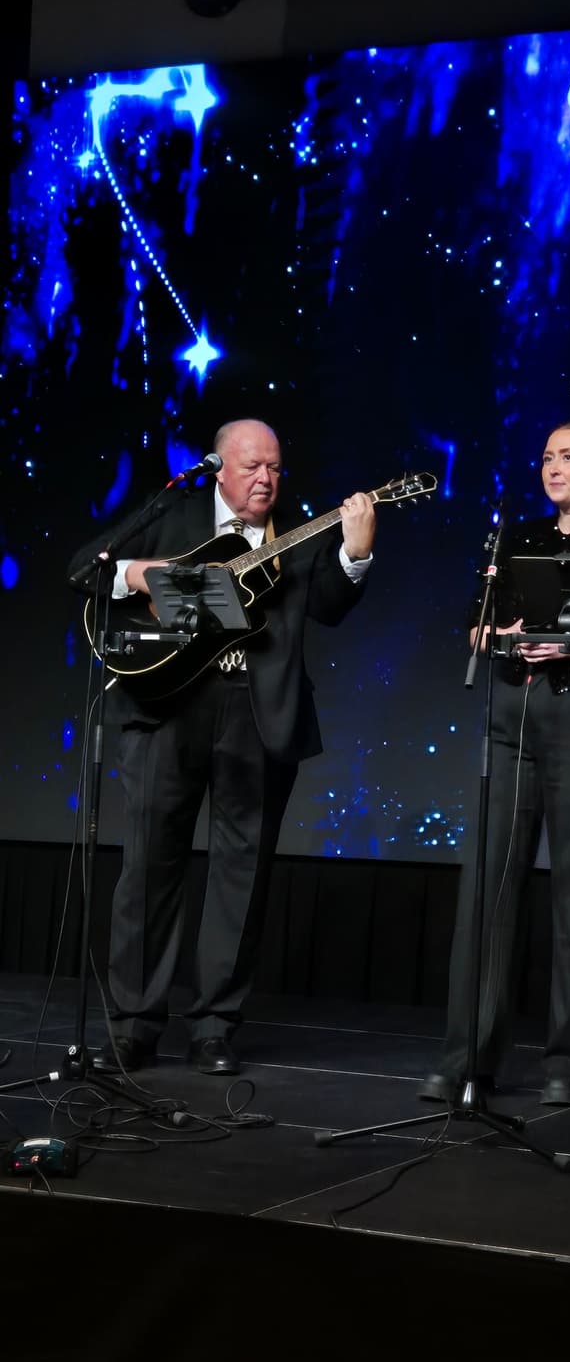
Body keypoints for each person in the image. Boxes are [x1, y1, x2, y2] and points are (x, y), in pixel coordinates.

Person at [69, 417, 375, 1074]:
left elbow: (328, 602)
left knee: (241, 876)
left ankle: (214, 1026)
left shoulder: (296, 532)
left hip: (257, 717)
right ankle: (134, 1024)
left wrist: (355, 553)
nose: (265, 478)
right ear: (219, 468)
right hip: (167, 710)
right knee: (149, 869)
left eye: (274, 468)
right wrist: (146, 576)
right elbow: (86, 571)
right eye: (251, 467)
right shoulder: (174, 516)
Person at [422, 418, 570, 1107]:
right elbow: (477, 627)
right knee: (489, 889)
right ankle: (468, 1055)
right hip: (511, 714)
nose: (553, 467)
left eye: (569, 456)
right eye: (547, 457)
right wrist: (507, 634)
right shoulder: (516, 540)